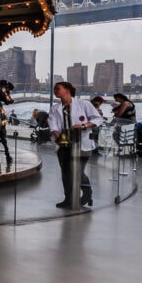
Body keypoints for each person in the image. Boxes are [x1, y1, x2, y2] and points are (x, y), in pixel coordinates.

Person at [47, 81, 103, 209]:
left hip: (81, 143)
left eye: (58, 89)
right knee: (66, 173)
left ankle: (87, 192)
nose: (55, 91)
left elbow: (97, 118)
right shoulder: (55, 108)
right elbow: (53, 125)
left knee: (77, 171)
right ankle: (68, 199)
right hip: (63, 144)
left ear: (67, 90)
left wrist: (83, 126)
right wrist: (59, 137)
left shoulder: (84, 104)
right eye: (54, 89)